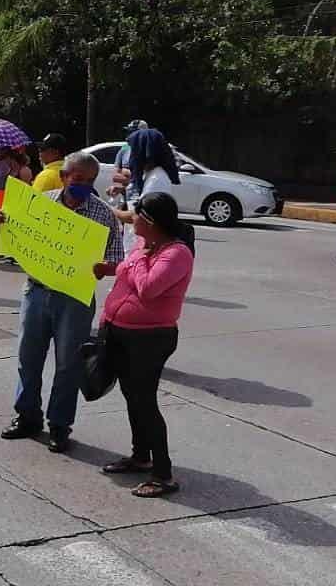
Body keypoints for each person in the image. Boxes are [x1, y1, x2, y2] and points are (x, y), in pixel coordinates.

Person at [0, 152, 124, 453]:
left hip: (75, 299)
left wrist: (104, 267)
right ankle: (27, 417)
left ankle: (59, 425)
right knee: (28, 358)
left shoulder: (103, 214)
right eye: (78, 180)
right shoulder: (39, 204)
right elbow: (13, 231)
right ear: (64, 177)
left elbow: (118, 260)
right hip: (37, 291)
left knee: (68, 365)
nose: (83, 186)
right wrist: (0, 220)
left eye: (89, 181)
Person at [100, 192, 195, 498]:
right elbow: (127, 269)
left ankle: (163, 473)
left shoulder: (176, 254)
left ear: (151, 221)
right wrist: (109, 269)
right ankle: (140, 456)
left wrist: (138, 259)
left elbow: (149, 288)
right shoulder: (145, 245)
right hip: (121, 331)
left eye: (137, 215)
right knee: (132, 396)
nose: (133, 219)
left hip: (150, 338)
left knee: (145, 401)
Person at [111, 119, 150, 206]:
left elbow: (147, 179)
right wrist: (133, 177)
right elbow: (116, 177)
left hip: (144, 198)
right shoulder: (124, 149)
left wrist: (126, 172)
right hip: (125, 196)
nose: (128, 136)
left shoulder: (149, 152)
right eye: (128, 132)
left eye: (132, 133)